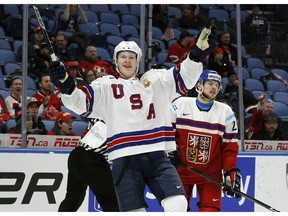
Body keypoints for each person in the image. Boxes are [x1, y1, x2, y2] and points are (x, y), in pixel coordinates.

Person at [49, 26, 217, 212]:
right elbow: (80, 102)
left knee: (178, 204)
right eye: (123, 56)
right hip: (124, 159)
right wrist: (67, 86)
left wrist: (196, 54)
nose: (127, 60)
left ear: (138, 62)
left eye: (131, 56)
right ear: (115, 61)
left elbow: (184, 76)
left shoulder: (156, 79)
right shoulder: (105, 86)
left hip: (156, 156)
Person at [170, 70, 241, 211]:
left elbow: (229, 148)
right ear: (199, 85)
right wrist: (170, 151)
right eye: (209, 83)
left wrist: (230, 172)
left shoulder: (226, 112)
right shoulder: (180, 105)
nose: (213, 87)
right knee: (177, 210)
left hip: (210, 175)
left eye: (216, 85)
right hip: (181, 171)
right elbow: (166, 134)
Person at [58, 118, 119, 212]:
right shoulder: (119, 120)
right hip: (91, 159)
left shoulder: (100, 114)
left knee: (73, 199)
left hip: (76, 155)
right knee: (113, 200)